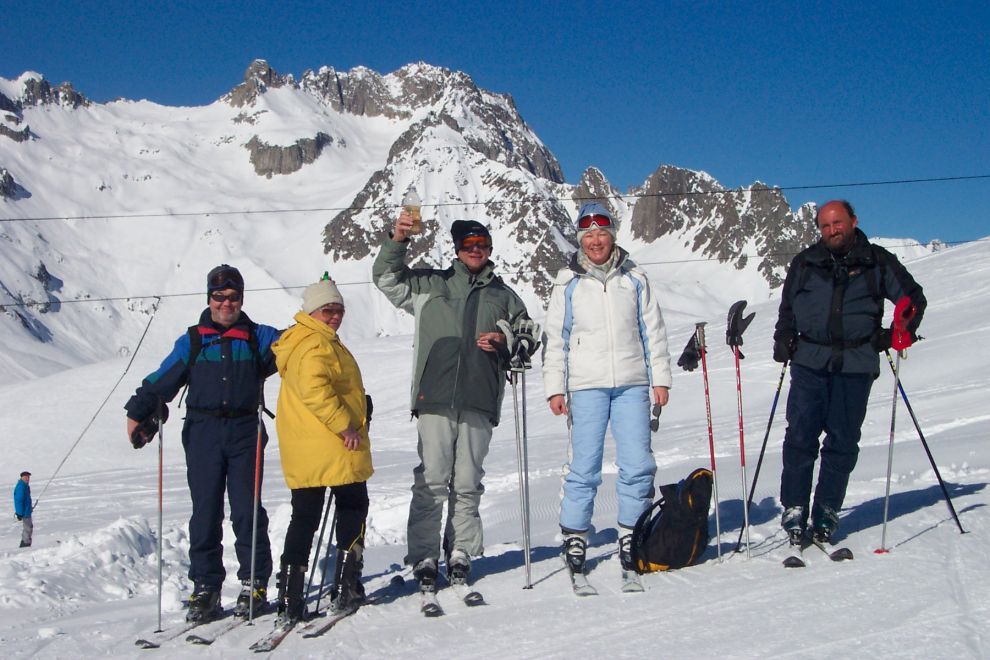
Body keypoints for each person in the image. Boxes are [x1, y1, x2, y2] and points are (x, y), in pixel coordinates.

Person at [372, 212, 536, 594]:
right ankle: (425, 555)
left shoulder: (503, 295)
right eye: (468, 245)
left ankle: (461, 550)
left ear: (490, 249)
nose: (476, 250)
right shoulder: (431, 284)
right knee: (432, 478)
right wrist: (397, 241)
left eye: (482, 245)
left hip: (480, 397)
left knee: (467, 480)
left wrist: (507, 340)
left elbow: (528, 332)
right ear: (458, 249)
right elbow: (386, 278)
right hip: (435, 395)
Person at [124, 264, 280, 622]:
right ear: (209, 298)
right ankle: (206, 587)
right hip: (202, 432)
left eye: (233, 297)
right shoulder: (194, 340)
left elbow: (297, 346)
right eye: (219, 297)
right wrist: (138, 411)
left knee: (247, 510)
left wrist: (320, 312)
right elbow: (162, 380)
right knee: (206, 511)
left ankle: (254, 583)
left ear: (242, 299)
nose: (226, 303)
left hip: (245, 431)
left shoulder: (258, 337)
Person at [773, 200, 926, 545]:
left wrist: (897, 333)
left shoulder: (877, 261)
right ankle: (794, 506)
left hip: (856, 363)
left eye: (838, 223)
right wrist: (783, 337)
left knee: (842, 440)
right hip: (810, 361)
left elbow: (913, 300)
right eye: (825, 226)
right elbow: (787, 308)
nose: (832, 231)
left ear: (853, 221)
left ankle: (826, 510)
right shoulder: (806, 262)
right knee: (800, 437)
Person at [542, 202, 672, 578]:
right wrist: (555, 388)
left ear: (612, 236)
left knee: (638, 464)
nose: (596, 240)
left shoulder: (635, 278)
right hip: (586, 386)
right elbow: (557, 338)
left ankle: (632, 533)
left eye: (602, 233)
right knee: (583, 466)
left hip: (632, 383)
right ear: (580, 239)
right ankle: (575, 535)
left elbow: (652, 331)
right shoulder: (568, 282)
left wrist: (660, 379)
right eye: (588, 235)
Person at [270, 277, 373, 625]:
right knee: (353, 505)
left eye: (339, 310)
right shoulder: (316, 343)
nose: (335, 317)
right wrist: (345, 424)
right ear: (312, 311)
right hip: (335, 443)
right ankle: (346, 588)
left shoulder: (299, 339)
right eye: (328, 310)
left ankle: (290, 597)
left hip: (305, 447)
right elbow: (315, 389)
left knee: (304, 518)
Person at [13, 471, 32, 548]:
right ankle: (25, 544)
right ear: (22, 477)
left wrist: (30, 508)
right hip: (24, 512)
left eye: (28, 477)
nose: (27, 478)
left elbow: (26, 500)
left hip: (27, 511)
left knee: (29, 527)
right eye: (26, 477)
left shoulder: (25, 486)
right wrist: (19, 513)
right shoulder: (21, 487)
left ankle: (26, 542)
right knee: (28, 528)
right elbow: (19, 501)